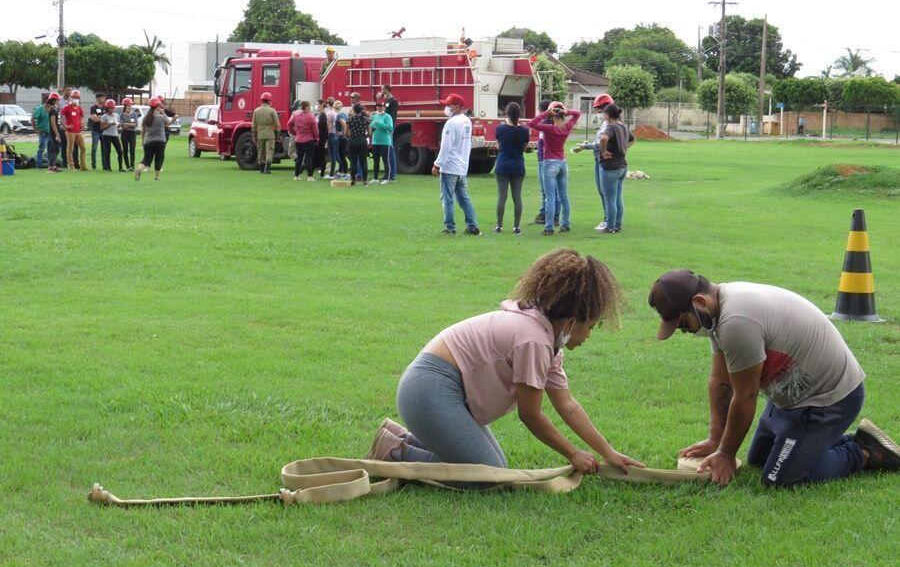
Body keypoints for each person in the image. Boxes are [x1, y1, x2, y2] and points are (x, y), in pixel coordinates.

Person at [366, 248, 645, 487]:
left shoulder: (548, 340)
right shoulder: (534, 339)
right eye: (590, 326)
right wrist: (573, 454)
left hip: (437, 391)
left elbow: (567, 405)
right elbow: (531, 414)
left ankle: (401, 438)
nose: (589, 335)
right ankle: (395, 451)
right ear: (571, 321)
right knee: (488, 477)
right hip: (428, 389)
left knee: (497, 468)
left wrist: (607, 452)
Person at [648, 270, 900, 487]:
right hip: (790, 400)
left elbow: (745, 396)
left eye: (684, 324)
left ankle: (864, 452)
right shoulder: (720, 309)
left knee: (779, 478)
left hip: (828, 400)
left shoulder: (736, 321)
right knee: (759, 461)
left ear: (699, 301)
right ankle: (831, 442)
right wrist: (716, 440)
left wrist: (726, 453)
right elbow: (720, 380)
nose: (685, 332)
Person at [528, 102, 580, 235]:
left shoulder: (550, 129)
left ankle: (549, 227)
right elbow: (577, 114)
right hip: (562, 162)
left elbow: (532, 123)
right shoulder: (566, 127)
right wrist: (566, 112)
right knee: (564, 196)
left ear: (553, 116)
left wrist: (546, 112)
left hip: (550, 162)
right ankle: (565, 224)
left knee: (550, 197)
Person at [432, 93, 479, 236]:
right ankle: (472, 226)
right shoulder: (466, 121)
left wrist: (437, 164)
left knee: (447, 199)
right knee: (464, 198)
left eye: (448, 105)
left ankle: (450, 227)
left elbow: (446, 146)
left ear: (457, 107)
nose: (446, 107)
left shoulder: (451, 123)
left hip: (450, 166)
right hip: (462, 167)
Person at [572, 93, 614, 231]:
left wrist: (586, 146)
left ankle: (608, 221)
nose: (598, 112)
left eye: (599, 109)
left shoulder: (609, 125)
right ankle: (611, 220)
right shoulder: (607, 123)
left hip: (603, 161)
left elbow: (600, 143)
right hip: (600, 159)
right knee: (608, 193)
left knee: (605, 193)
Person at [596, 104, 634, 234]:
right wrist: (623, 149)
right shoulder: (623, 126)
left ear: (607, 115)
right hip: (622, 166)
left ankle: (610, 227)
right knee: (618, 197)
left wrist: (604, 151)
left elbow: (603, 138)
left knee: (610, 199)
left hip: (611, 167)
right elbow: (632, 139)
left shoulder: (610, 127)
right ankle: (617, 225)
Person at [493, 102, 529, 235]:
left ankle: (499, 226)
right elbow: (524, 148)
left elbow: (498, 145)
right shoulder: (524, 131)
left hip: (502, 164)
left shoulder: (500, 129)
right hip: (518, 165)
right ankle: (516, 226)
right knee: (517, 197)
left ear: (506, 114)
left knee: (502, 196)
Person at [532, 99, 556, 226]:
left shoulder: (548, 124)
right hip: (543, 160)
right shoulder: (547, 123)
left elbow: (532, 123)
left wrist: (545, 114)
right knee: (546, 191)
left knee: (547, 191)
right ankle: (543, 213)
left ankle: (548, 216)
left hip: (546, 161)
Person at [135, 97, 171, 181]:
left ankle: (139, 169)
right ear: (157, 106)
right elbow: (168, 123)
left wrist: (143, 140)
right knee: (159, 158)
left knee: (146, 159)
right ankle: (157, 177)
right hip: (160, 141)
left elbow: (143, 130)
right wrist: (164, 113)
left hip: (148, 141)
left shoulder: (145, 118)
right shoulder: (161, 117)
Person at [288, 100, 319, 182]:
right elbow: (315, 130)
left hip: (298, 139)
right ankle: (310, 176)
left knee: (299, 158)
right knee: (309, 158)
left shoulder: (296, 116)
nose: (310, 108)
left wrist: (294, 132)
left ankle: (297, 176)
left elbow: (289, 124)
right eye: (309, 106)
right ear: (306, 107)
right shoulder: (311, 117)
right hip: (309, 139)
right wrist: (316, 138)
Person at [251, 92, 279, 174]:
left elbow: (254, 125)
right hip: (270, 135)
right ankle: (267, 168)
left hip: (260, 135)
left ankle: (261, 168)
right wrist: (278, 134)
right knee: (269, 151)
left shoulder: (256, 111)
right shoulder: (272, 111)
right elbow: (277, 124)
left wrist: (254, 135)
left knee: (261, 151)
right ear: (269, 101)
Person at [60, 90, 87, 171]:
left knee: (83, 148)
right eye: (74, 97)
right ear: (71, 98)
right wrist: (66, 126)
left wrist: (82, 124)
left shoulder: (79, 108)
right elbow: (61, 116)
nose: (76, 99)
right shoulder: (67, 107)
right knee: (70, 149)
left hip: (78, 131)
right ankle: (71, 165)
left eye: (77, 98)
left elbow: (82, 117)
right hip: (70, 131)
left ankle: (83, 166)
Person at [369, 101, 394, 183]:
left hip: (385, 141)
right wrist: (372, 125)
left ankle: (387, 178)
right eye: (378, 106)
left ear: (384, 107)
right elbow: (371, 126)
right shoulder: (374, 116)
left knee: (385, 160)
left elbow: (390, 128)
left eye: (381, 106)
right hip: (375, 141)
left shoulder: (387, 116)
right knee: (375, 160)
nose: (379, 107)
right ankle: (375, 178)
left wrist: (380, 124)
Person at [346, 103, 370, 185]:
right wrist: (364, 136)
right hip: (363, 141)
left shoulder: (350, 119)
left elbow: (346, 133)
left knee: (353, 162)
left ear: (354, 110)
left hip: (353, 141)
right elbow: (370, 132)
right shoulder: (366, 119)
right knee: (363, 161)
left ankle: (353, 180)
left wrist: (352, 135)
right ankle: (365, 181)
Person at [100, 99, 125, 172]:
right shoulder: (104, 116)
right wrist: (109, 124)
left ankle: (120, 167)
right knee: (108, 151)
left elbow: (119, 125)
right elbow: (102, 128)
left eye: (113, 107)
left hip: (115, 135)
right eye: (110, 108)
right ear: (107, 108)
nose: (112, 109)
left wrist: (118, 125)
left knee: (120, 151)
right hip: (106, 135)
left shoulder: (117, 115)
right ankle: (108, 167)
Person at [381, 84, 399, 180]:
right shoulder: (385, 100)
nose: (381, 91)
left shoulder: (393, 101)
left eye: (382, 89)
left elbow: (393, 115)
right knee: (386, 150)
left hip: (389, 128)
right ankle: (387, 173)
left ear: (387, 89)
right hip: (384, 127)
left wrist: (391, 128)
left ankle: (392, 174)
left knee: (390, 150)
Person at [30, 96, 52, 169]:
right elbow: (33, 119)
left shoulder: (53, 109)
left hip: (51, 132)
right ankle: (38, 165)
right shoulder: (39, 109)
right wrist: (35, 129)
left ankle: (50, 165)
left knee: (51, 149)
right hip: (43, 132)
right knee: (42, 148)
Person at [45, 92, 63, 174]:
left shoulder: (54, 109)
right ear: (54, 100)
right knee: (56, 149)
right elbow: (53, 124)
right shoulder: (52, 111)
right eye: (57, 100)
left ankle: (52, 165)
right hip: (54, 132)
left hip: (55, 131)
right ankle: (51, 167)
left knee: (54, 149)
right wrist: (57, 135)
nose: (58, 101)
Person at [119, 98, 139, 171]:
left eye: (130, 105)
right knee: (125, 150)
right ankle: (127, 166)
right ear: (124, 106)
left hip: (132, 133)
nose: (129, 107)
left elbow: (136, 124)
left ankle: (132, 166)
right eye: (127, 106)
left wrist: (126, 123)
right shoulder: (121, 115)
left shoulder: (134, 114)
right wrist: (130, 124)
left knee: (132, 150)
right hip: (124, 134)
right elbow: (122, 126)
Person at [333, 100, 350, 180]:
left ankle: (345, 173)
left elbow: (344, 124)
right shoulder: (345, 114)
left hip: (341, 139)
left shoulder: (339, 115)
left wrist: (343, 134)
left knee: (341, 156)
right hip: (344, 138)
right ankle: (340, 172)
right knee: (342, 156)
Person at [88, 94, 106, 170]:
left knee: (104, 149)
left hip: (104, 131)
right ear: (97, 99)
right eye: (102, 98)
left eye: (104, 98)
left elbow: (107, 118)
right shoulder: (93, 108)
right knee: (94, 148)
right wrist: (103, 118)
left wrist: (99, 117)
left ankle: (105, 165)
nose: (104, 99)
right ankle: (94, 166)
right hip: (95, 131)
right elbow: (94, 118)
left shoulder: (105, 108)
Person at [314, 100, 329, 179]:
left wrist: (326, 139)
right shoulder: (316, 114)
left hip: (321, 138)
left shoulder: (323, 115)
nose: (316, 106)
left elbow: (324, 128)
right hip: (316, 138)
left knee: (322, 155)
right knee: (317, 155)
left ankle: (322, 172)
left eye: (317, 104)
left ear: (321, 105)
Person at [324, 98, 338, 179]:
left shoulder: (329, 113)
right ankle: (341, 170)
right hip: (336, 134)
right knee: (336, 154)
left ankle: (331, 173)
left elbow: (328, 126)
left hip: (331, 135)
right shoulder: (336, 113)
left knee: (332, 155)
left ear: (328, 104)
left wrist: (326, 137)